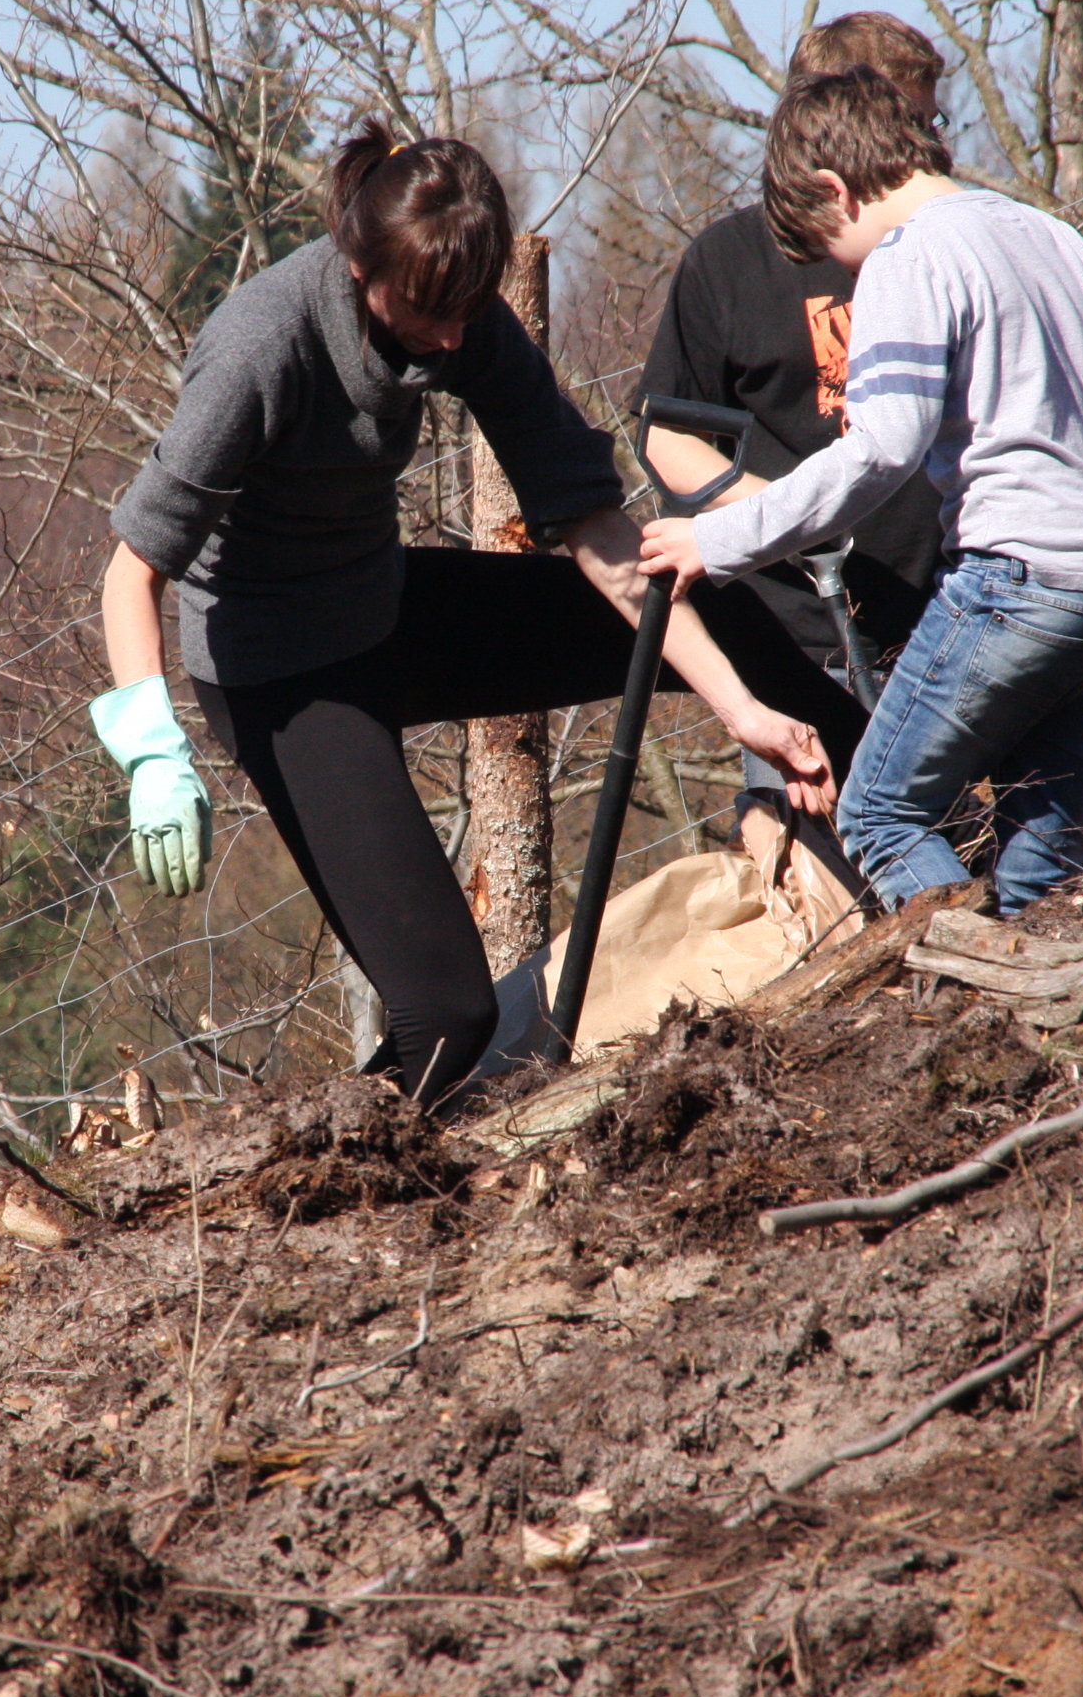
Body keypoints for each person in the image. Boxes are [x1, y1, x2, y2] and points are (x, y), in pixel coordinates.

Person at [96, 118, 866, 1113]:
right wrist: (151, 750)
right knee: (447, 1013)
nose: (453, 338)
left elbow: (599, 531)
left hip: (379, 602)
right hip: (273, 666)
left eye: (465, 312)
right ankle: (342, 1171)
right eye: (428, 315)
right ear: (359, 261)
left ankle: (910, 836)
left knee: (734, 619)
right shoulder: (260, 346)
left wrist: (737, 710)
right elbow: (129, 571)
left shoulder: (456, 313)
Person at [640, 69, 1083, 914]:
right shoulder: (1053, 237)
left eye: (825, 244)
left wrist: (715, 540)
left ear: (836, 189)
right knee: (1039, 855)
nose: (839, 268)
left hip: (1021, 583)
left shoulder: (913, 254)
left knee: (878, 812)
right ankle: (1030, 1015)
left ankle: (968, 1000)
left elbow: (880, 451)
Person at [637, 12, 950, 687]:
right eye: (914, 128)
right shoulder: (730, 260)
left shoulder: (952, 244)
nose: (932, 150)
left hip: (955, 621)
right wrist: (793, 520)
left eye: (934, 125)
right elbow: (667, 437)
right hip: (794, 639)